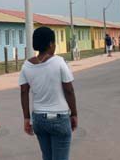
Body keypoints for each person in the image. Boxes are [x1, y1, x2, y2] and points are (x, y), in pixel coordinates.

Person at [19, 27, 78, 160]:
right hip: (59, 118)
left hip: (39, 119)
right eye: (54, 43)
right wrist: (74, 113)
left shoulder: (26, 66)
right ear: (51, 44)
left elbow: (24, 92)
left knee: (47, 156)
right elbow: (69, 90)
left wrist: (26, 118)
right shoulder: (59, 62)